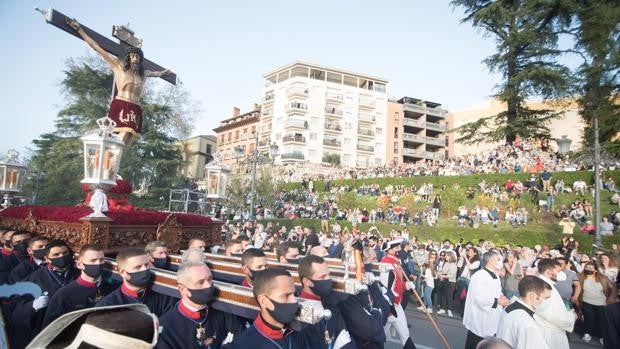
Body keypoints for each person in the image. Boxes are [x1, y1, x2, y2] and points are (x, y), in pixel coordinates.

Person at [66, 18, 171, 146]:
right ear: (128, 58)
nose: (135, 59)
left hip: (135, 108)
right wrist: (80, 30)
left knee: (126, 141)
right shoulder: (118, 67)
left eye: (137, 56)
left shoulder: (144, 74)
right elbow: (97, 48)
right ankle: (104, 159)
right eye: (132, 56)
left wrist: (165, 73)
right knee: (116, 139)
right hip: (121, 104)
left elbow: (158, 73)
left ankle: (112, 164)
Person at [8, 239, 79, 348]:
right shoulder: (32, 280)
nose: (62, 257)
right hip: (45, 332)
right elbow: (15, 311)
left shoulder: (79, 274)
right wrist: (32, 306)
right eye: (56, 254)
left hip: (75, 330)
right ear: (47, 259)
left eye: (65, 253)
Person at [157, 261, 242, 348]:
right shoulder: (164, 328)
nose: (208, 285)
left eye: (209, 279)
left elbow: (241, 339)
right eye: (200, 282)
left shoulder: (222, 309)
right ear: (183, 289)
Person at [225, 268, 315, 348]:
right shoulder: (244, 345)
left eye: (294, 294)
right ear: (264, 301)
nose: (294, 301)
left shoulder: (301, 328)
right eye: (286, 296)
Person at [42, 244, 119, 327]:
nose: (98, 264)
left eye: (101, 260)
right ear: (79, 265)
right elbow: (51, 329)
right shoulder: (63, 296)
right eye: (93, 260)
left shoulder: (115, 288)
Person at [97, 247, 175, 317]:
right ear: (123, 273)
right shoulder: (108, 305)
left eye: (146, 265)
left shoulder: (165, 297)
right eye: (138, 267)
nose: (144, 269)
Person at [298, 255, 355, 348]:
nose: (328, 280)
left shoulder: (330, 303)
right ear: (307, 282)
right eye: (323, 277)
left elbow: (345, 336)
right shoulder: (300, 313)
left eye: (329, 275)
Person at [463, 250, 510, 349]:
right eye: (498, 259)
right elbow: (479, 298)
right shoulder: (479, 276)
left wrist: (502, 297)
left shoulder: (495, 275)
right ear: (491, 261)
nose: (500, 262)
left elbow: (496, 291)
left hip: (492, 315)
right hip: (480, 317)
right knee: (476, 342)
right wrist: (498, 301)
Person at [496, 275, 552, 349]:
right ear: (532, 296)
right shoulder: (527, 323)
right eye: (546, 298)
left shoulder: (509, 307)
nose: (548, 302)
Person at [380, 239, 417, 349]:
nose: (399, 250)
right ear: (389, 250)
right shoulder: (385, 263)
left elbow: (397, 283)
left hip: (397, 305)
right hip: (389, 308)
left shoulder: (395, 262)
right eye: (396, 248)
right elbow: (384, 288)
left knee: (405, 335)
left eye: (399, 248)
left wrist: (406, 285)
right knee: (380, 338)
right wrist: (389, 309)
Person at [534, 259, 576, 349]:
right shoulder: (543, 288)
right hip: (550, 332)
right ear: (549, 272)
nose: (561, 274)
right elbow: (548, 314)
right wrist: (571, 317)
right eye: (559, 271)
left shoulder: (545, 283)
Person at [577, 262, 617, 344]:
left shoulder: (603, 278)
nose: (588, 269)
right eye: (587, 267)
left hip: (601, 303)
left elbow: (613, 288)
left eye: (591, 268)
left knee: (601, 320)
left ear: (595, 270)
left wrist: (609, 300)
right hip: (586, 301)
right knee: (589, 318)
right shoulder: (580, 277)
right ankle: (587, 333)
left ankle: (602, 336)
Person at [436, 251, 457, 317]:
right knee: (443, 295)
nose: (445, 257)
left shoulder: (453, 264)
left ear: (450, 256)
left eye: (446, 256)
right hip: (445, 280)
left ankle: (449, 310)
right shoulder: (446, 263)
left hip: (451, 282)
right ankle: (443, 308)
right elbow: (443, 271)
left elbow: (452, 275)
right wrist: (440, 273)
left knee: (449, 296)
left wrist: (442, 276)